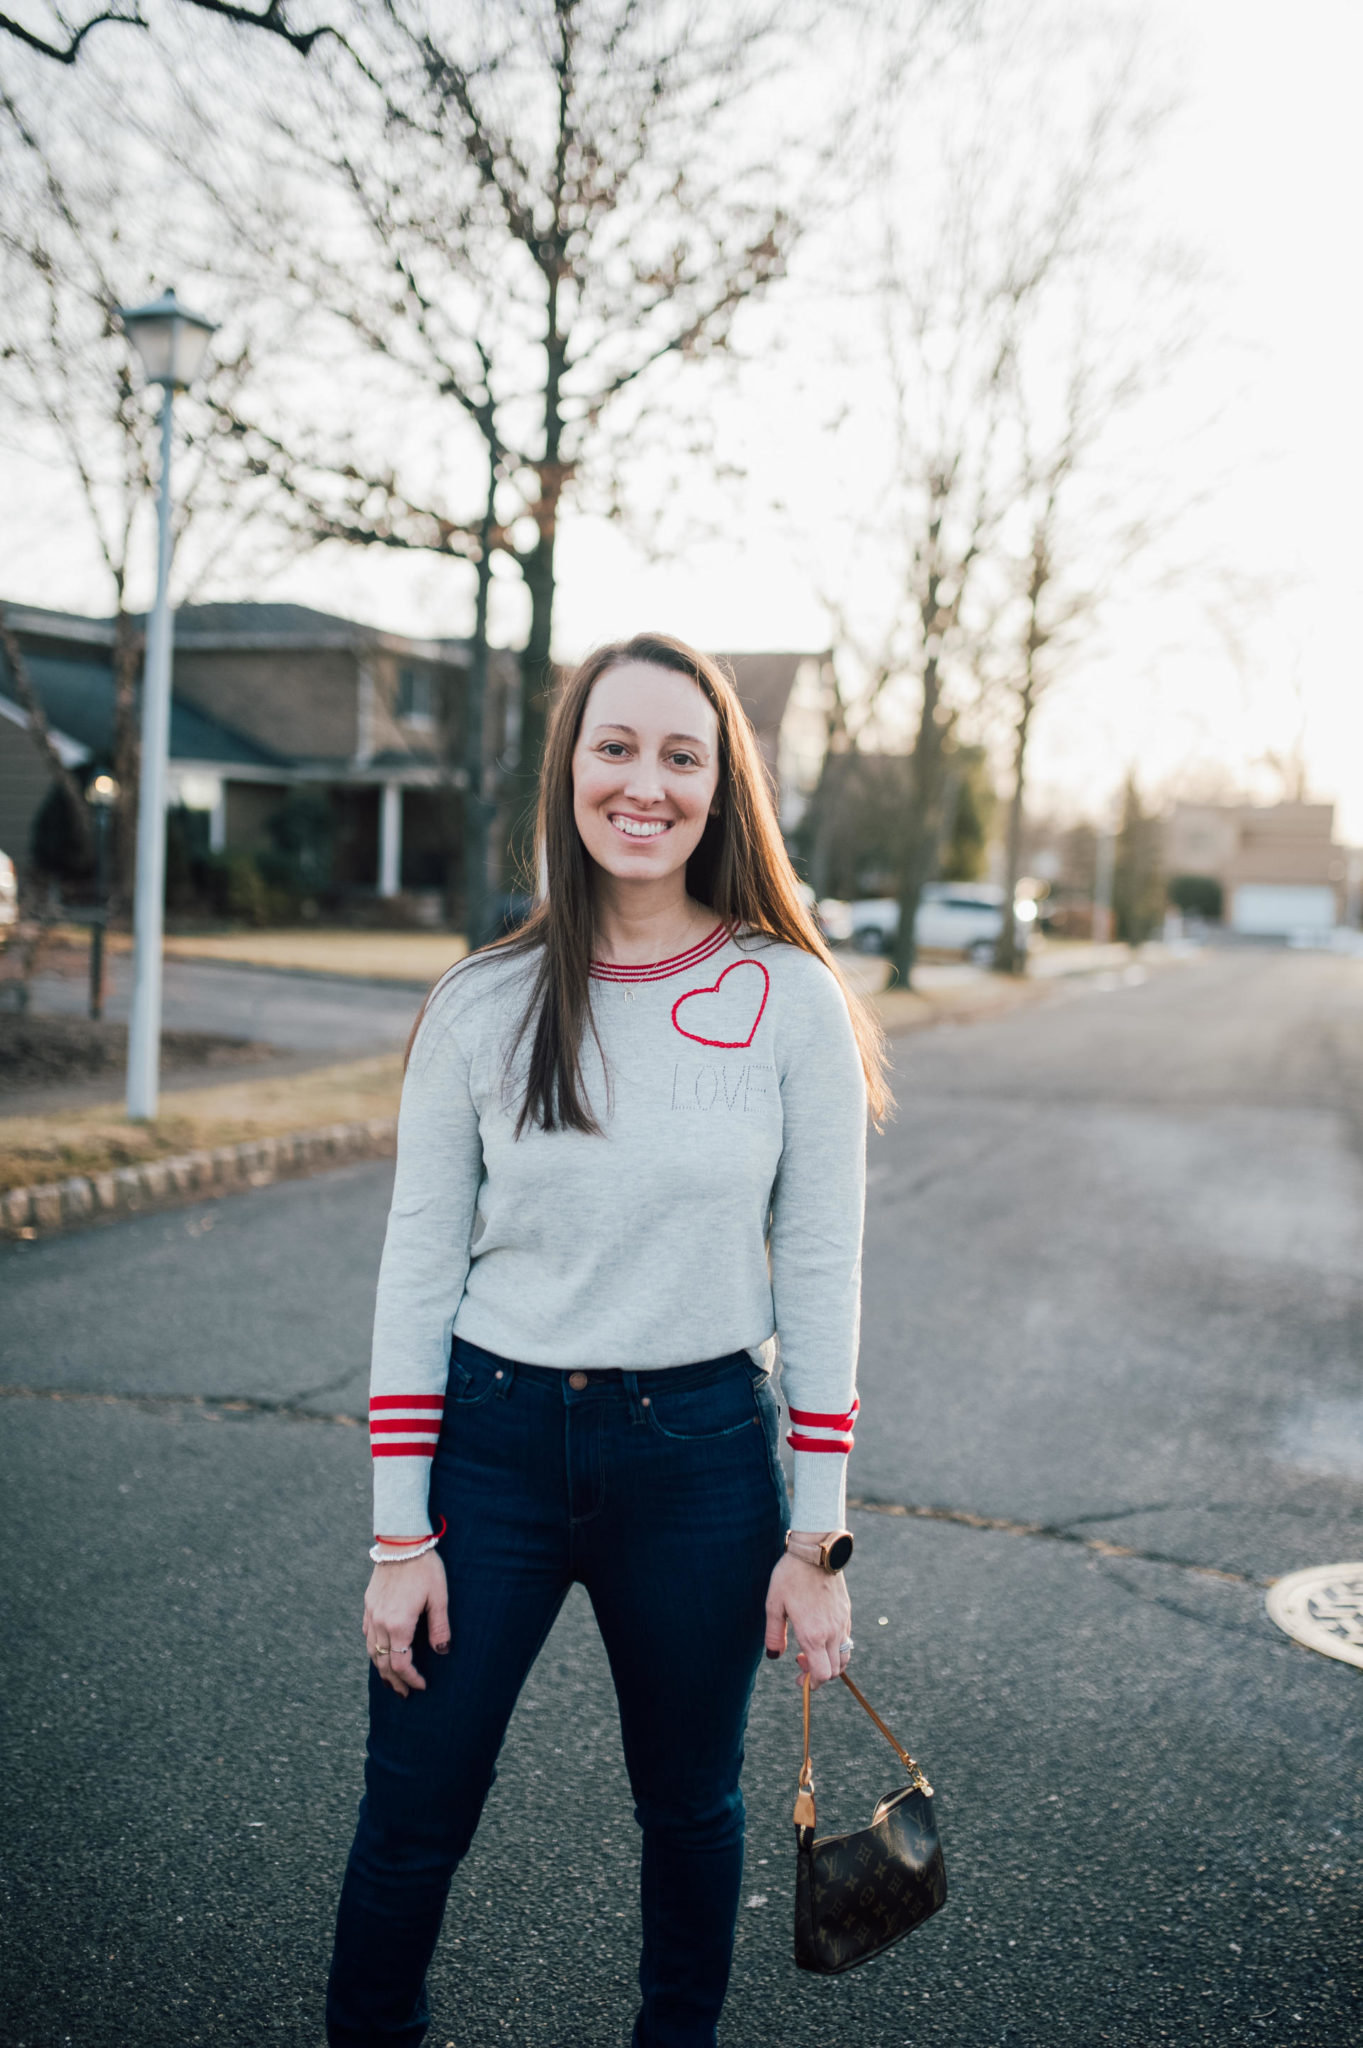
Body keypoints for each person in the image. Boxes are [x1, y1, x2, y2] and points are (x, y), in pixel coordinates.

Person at [326, 632, 891, 2048]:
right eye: (616, 748)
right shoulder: (480, 1003)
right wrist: (401, 1539)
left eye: (682, 756)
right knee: (412, 1815)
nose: (647, 784)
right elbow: (415, 1271)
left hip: (700, 1461)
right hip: (494, 1447)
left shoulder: (790, 1001)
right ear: (570, 771)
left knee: (692, 1815)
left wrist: (816, 1544)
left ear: (722, 787)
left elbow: (820, 1269)